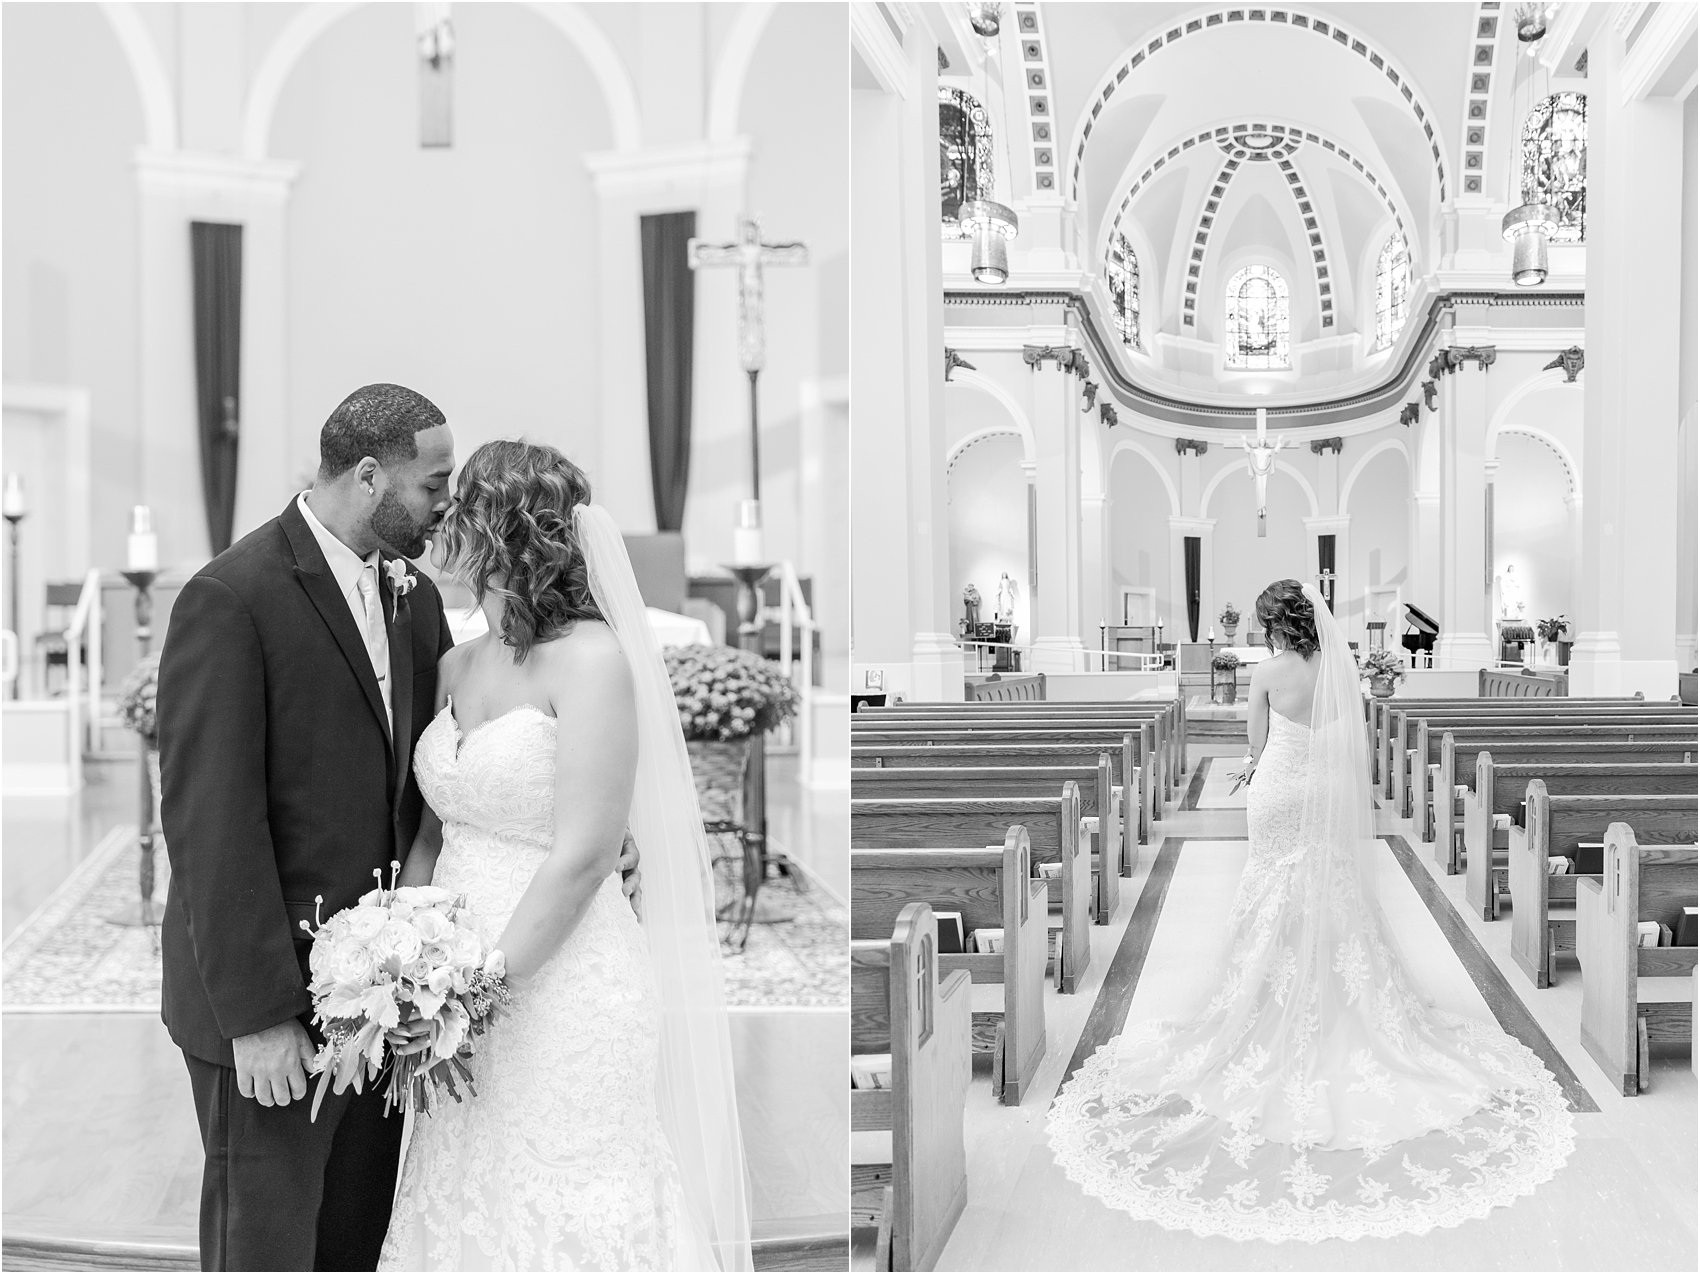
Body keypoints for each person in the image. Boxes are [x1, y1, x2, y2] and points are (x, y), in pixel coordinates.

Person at [156, 384, 642, 1271]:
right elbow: (208, 827)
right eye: (433, 484)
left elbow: (441, 778)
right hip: (277, 1004)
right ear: (371, 476)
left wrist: (591, 827)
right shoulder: (233, 596)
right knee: (264, 1246)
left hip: (403, 1004)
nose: (445, 506)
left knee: (359, 1238)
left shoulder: (414, 597)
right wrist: (262, 1018)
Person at [1046, 578, 1574, 1242]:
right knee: (1333, 890)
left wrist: (1251, 775)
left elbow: (1258, 747)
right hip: (1324, 787)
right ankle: (1342, 1004)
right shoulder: (1341, 668)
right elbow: (1349, 743)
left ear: (1272, 625)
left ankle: (1265, 1001)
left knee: (1270, 891)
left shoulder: (1266, 671)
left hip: (1277, 793)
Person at [377, 440, 752, 1271]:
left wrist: (480, 988)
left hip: (561, 980)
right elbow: (436, 824)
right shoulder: (454, 662)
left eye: (459, 506)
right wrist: (405, 947)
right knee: (468, 1187)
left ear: (504, 529)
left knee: (573, 1196)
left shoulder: (592, 659)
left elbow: (586, 856)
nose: (441, 521)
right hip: (447, 978)